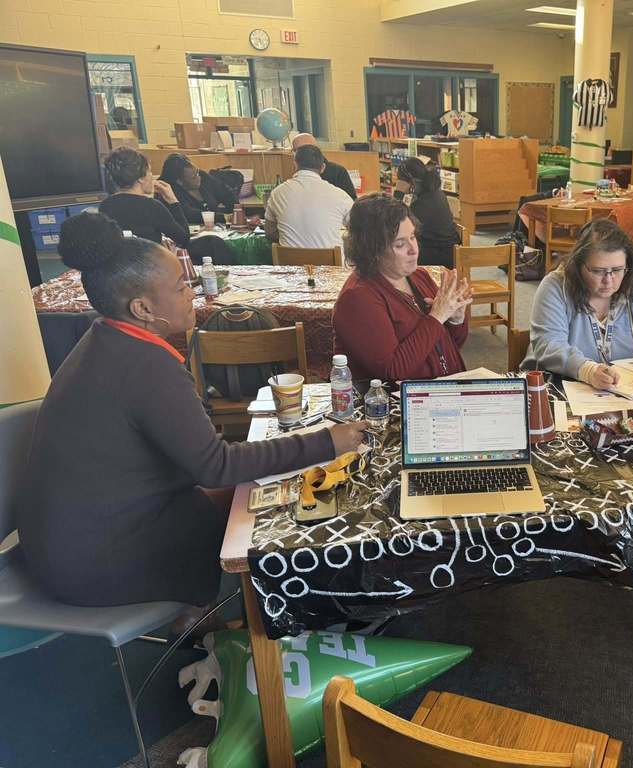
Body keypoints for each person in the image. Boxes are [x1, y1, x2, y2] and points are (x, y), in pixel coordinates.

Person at [17, 212, 369, 614]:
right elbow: (215, 467)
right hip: (97, 560)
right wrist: (327, 441)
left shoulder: (103, 337)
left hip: (67, 541)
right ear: (143, 308)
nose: (193, 291)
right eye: (181, 285)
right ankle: (243, 627)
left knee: (257, 490)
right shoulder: (145, 366)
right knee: (274, 505)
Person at [524, 217, 633, 389]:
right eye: (598, 271)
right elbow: (549, 344)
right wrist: (588, 371)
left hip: (622, 398)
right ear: (578, 265)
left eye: (617, 270)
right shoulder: (555, 287)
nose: (609, 280)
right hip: (559, 391)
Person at [332, 194, 472, 381]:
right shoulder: (358, 297)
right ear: (372, 250)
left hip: (439, 392)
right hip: (396, 403)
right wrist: (437, 316)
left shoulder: (418, 275)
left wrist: (455, 319)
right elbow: (393, 371)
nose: (413, 249)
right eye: (400, 244)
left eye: (413, 237)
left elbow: (450, 345)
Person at [264, 145, 353, 249]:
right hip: (330, 264)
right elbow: (357, 228)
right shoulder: (340, 195)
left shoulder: (277, 193)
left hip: (290, 263)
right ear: (323, 168)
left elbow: (269, 232)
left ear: (295, 165)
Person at [98, 147, 189, 248]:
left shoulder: (105, 205)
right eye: (149, 171)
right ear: (141, 178)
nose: (152, 176)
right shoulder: (151, 206)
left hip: (120, 262)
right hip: (148, 261)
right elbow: (183, 239)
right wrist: (173, 201)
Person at [395, 157, 461, 268]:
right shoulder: (434, 192)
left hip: (440, 254)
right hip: (446, 247)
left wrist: (398, 194)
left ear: (412, 181)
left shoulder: (424, 202)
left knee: (396, 253)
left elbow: (396, 221)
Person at [158, 153, 233, 226]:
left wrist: (237, 211)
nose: (199, 177)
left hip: (218, 227)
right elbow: (189, 214)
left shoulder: (203, 177)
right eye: (194, 177)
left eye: (197, 172)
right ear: (179, 182)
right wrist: (224, 217)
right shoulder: (168, 190)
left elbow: (226, 192)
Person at [292, 132, 358, 201]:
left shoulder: (338, 172)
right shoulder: (292, 172)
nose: (302, 154)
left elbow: (351, 201)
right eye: (297, 151)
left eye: (307, 149)